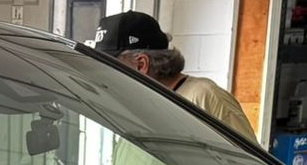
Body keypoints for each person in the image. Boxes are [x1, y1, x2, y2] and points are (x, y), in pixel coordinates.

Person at [91, 10, 249, 165]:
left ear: (141, 65)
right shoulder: (134, 108)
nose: (101, 80)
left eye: (107, 69)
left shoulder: (204, 98)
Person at [92, 10, 256, 139]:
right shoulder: (142, 103)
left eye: (111, 67)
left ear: (141, 65)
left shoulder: (205, 98)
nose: (107, 77)